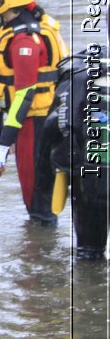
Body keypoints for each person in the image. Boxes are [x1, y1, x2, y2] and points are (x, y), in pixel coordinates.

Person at [0, 0, 65, 226]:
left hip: (36, 123)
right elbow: (10, 97)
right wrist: (6, 137)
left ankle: (40, 256)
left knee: (38, 203)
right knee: (36, 199)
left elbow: (25, 96)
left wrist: (4, 143)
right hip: (28, 122)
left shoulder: (24, 41)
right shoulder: (21, 25)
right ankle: (39, 252)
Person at [38, 52, 109, 261]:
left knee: (88, 253)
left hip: (90, 176)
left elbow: (53, 126)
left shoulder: (80, 71)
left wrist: (45, 185)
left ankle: (87, 289)